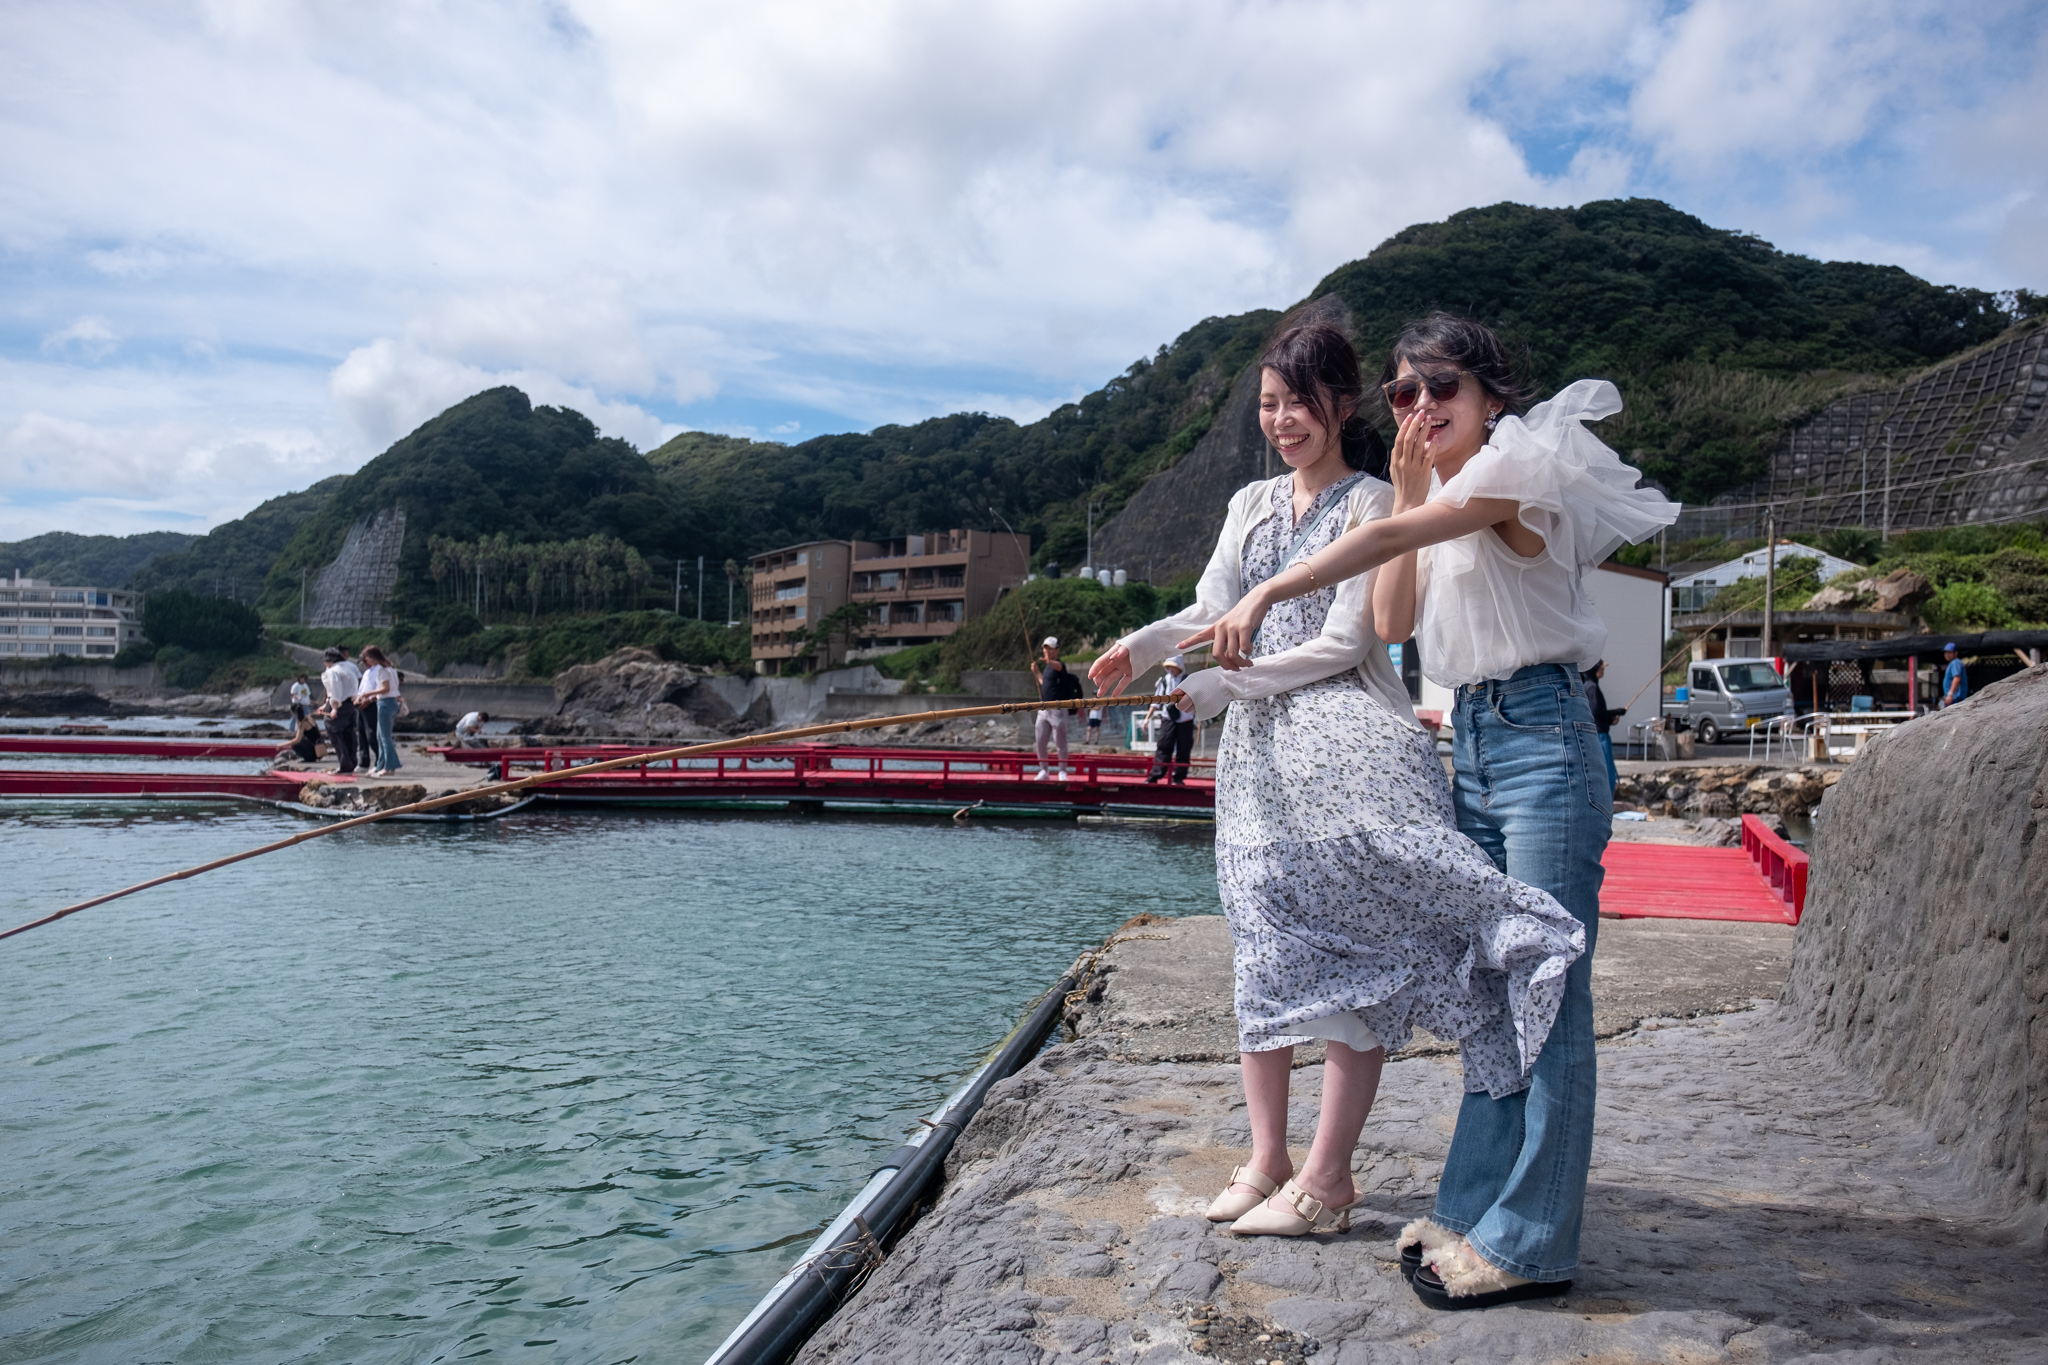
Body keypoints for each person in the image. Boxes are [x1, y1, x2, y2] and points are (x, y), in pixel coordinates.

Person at [1183, 313, 1678, 1307]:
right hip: (1479, 737)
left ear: (1489, 392)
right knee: (1495, 988)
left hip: (1543, 733)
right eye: (1403, 393)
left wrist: (1269, 589)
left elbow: (1392, 537)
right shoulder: (1439, 488)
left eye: (1438, 388)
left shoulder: (1515, 468)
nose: (1417, 408)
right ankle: (1469, 1212)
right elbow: (1397, 619)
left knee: (1548, 982)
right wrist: (1409, 486)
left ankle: (1531, 1242)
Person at [1092, 319, 1584, 1247]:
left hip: (1346, 738)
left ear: (1343, 405)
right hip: (1259, 753)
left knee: (1353, 940)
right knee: (1262, 938)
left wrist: (1209, 684)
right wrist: (1146, 645)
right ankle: (1267, 1156)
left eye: (1300, 403)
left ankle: (1330, 1171)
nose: (1283, 420)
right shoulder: (1248, 504)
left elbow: (1351, 642)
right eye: (1270, 404)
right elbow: (1209, 606)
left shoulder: (1380, 503)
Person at [1030, 636, 1083, 779]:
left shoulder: (1059, 665)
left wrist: (1048, 661)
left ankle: (1062, 771)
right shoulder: (1048, 668)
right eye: (1045, 647)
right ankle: (1044, 770)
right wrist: (1037, 673)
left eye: (1049, 648)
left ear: (1057, 650)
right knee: (1040, 741)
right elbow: (1044, 683)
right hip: (1044, 708)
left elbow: (1059, 667)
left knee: (1060, 741)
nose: (1046, 650)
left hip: (1058, 709)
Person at [356, 645, 405, 777]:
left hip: (385, 703)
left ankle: (389, 767)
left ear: (372, 657)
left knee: (384, 737)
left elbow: (385, 688)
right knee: (380, 736)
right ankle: (381, 765)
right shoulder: (390, 667)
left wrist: (368, 693)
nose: (367, 662)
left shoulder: (382, 670)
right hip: (390, 702)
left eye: (367, 659)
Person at [1145, 656, 1195, 784]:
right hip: (1169, 718)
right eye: (1169, 667)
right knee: (1163, 745)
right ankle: (1155, 775)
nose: (1171, 670)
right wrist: (1147, 718)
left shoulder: (1188, 680)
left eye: (1173, 667)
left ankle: (1179, 777)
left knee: (1184, 748)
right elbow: (1156, 701)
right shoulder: (1165, 681)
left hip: (1185, 718)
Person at [317, 647, 361, 775]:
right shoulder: (349, 668)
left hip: (339, 704)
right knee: (349, 734)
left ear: (329, 660)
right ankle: (351, 762)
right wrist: (326, 704)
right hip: (350, 704)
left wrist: (334, 708)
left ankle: (344, 764)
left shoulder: (333, 671)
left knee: (335, 734)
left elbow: (335, 691)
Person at [1585, 661, 1620, 792]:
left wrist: (1610, 720)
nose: (1603, 670)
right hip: (1600, 736)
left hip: (1597, 732)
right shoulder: (1592, 687)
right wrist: (1617, 711)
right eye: (1600, 668)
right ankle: (1608, 804)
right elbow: (1597, 713)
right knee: (1607, 771)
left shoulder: (1587, 686)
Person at [1942, 643, 1968, 708]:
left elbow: (1957, 678)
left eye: (1949, 652)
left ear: (1956, 653)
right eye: (1946, 652)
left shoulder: (1955, 662)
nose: (1947, 654)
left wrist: (1950, 694)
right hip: (1954, 698)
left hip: (1955, 698)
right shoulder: (1954, 663)